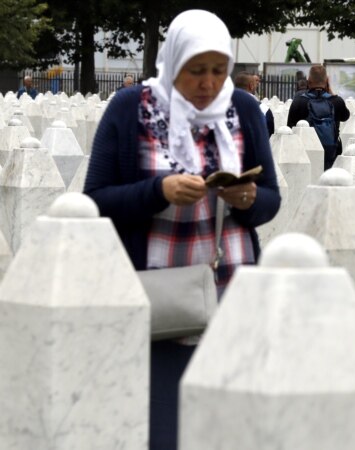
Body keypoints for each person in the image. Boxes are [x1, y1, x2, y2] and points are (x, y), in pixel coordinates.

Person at [83, 10, 281, 450]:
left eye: (218, 70)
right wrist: (159, 191)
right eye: (195, 71)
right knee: (163, 428)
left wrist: (247, 199)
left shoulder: (243, 108)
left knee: (228, 429)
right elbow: (94, 199)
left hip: (232, 292)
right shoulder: (130, 109)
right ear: (173, 64)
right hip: (158, 301)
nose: (208, 83)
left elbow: (270, 198)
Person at [286, 64, 350, 169]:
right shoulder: (337, 101)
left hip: (304, 156)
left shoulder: (299, 102)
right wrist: (330, 91)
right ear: (327, 81)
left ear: (308, 81)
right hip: (330, 154)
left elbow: (289, 127)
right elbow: (345, 116)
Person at [234, 71, 275, 137]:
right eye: (256, 82)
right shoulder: (264, 109)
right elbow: (269, 136)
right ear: (251, 86)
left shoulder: (222, 108)